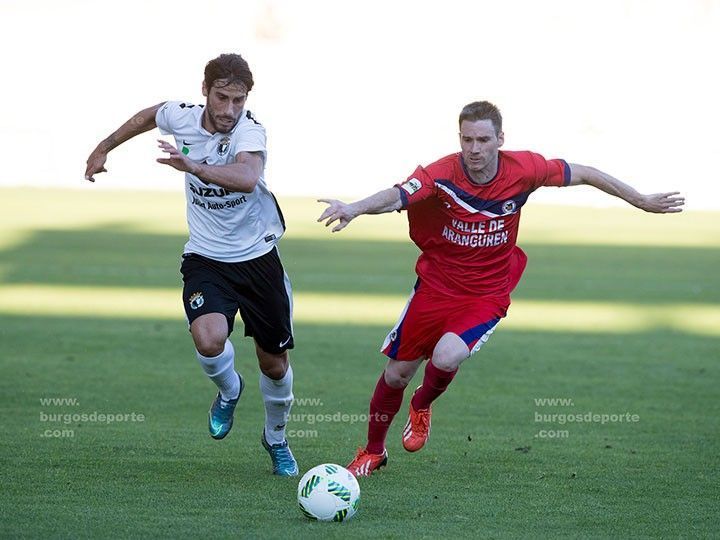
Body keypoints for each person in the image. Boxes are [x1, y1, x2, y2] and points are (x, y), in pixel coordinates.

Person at [317, 100, 684, 477]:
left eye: (483, 140)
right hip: (435, 287)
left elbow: (586, 173)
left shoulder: (524, 169)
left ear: (500, 139)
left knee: (446, 356)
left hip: (485, 295)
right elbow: (398, 195)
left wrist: (640, 200)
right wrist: (356, 208)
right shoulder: (440, 174)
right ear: (459, 139)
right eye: (467, 140)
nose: (474, 149)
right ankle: (373, 452)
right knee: (396, 375)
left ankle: (422, 404)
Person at [84, 53, 299, 476]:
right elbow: (149, 115)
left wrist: (194, 167)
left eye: (239, 100)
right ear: (205, 92)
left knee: (274, 364)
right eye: (223, 98)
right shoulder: (183, 116)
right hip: (205, 257)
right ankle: (229, 389)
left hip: (258, 259)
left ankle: (276, 438)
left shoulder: (249, 131)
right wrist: (103, 146)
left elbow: (248, 177)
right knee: (208, 339)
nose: (230, 110)